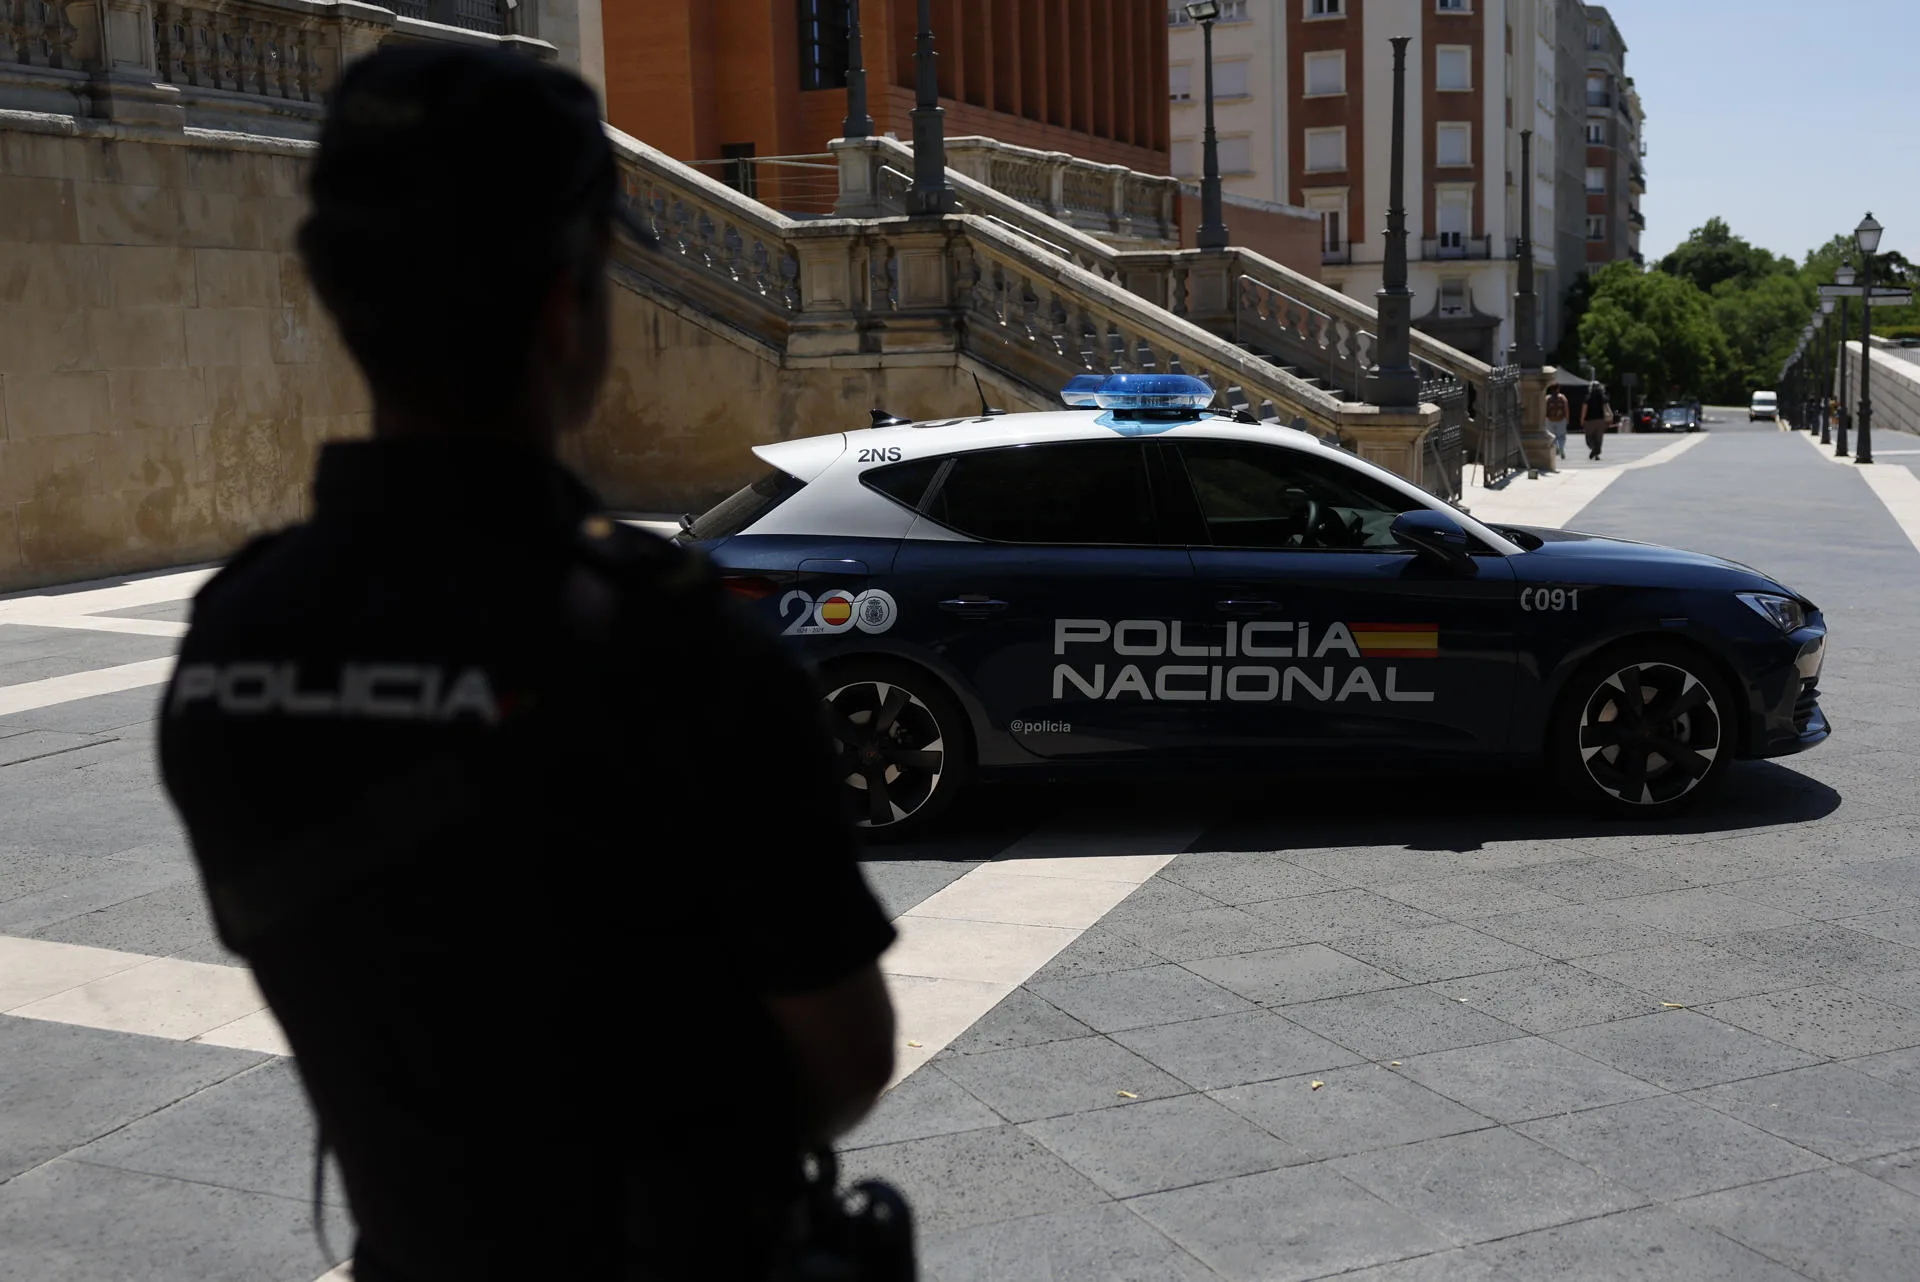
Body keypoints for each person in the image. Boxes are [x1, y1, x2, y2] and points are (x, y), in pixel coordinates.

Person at [158, 46, 898, 1282]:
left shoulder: (234, 641)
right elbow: (844, 1062)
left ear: (336, 295)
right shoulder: (681, 646)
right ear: (567, 310)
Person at [1579, 378, 1612, 460]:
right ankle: (1596, 453)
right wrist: (1610, 418)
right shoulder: (1603, 397)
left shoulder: (1588, 398)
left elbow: (1584, 409)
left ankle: (1594, 449)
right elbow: (1607, 408)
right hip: (1601, 420)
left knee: (1589, 438)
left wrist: (1582, 419)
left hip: (1590, 421)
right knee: (1599, 438)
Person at [1544, 383, 1571, 459]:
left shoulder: (1547, 398)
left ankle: (1556, 449)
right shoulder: (1562, 397)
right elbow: (1566, 409)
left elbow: (1544, 409)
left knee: (1552, 436)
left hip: (1549, 419)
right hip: (1561, 419)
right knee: (1561, 436)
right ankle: (1561, 447)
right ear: (1558, 388)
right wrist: (1567, 419)